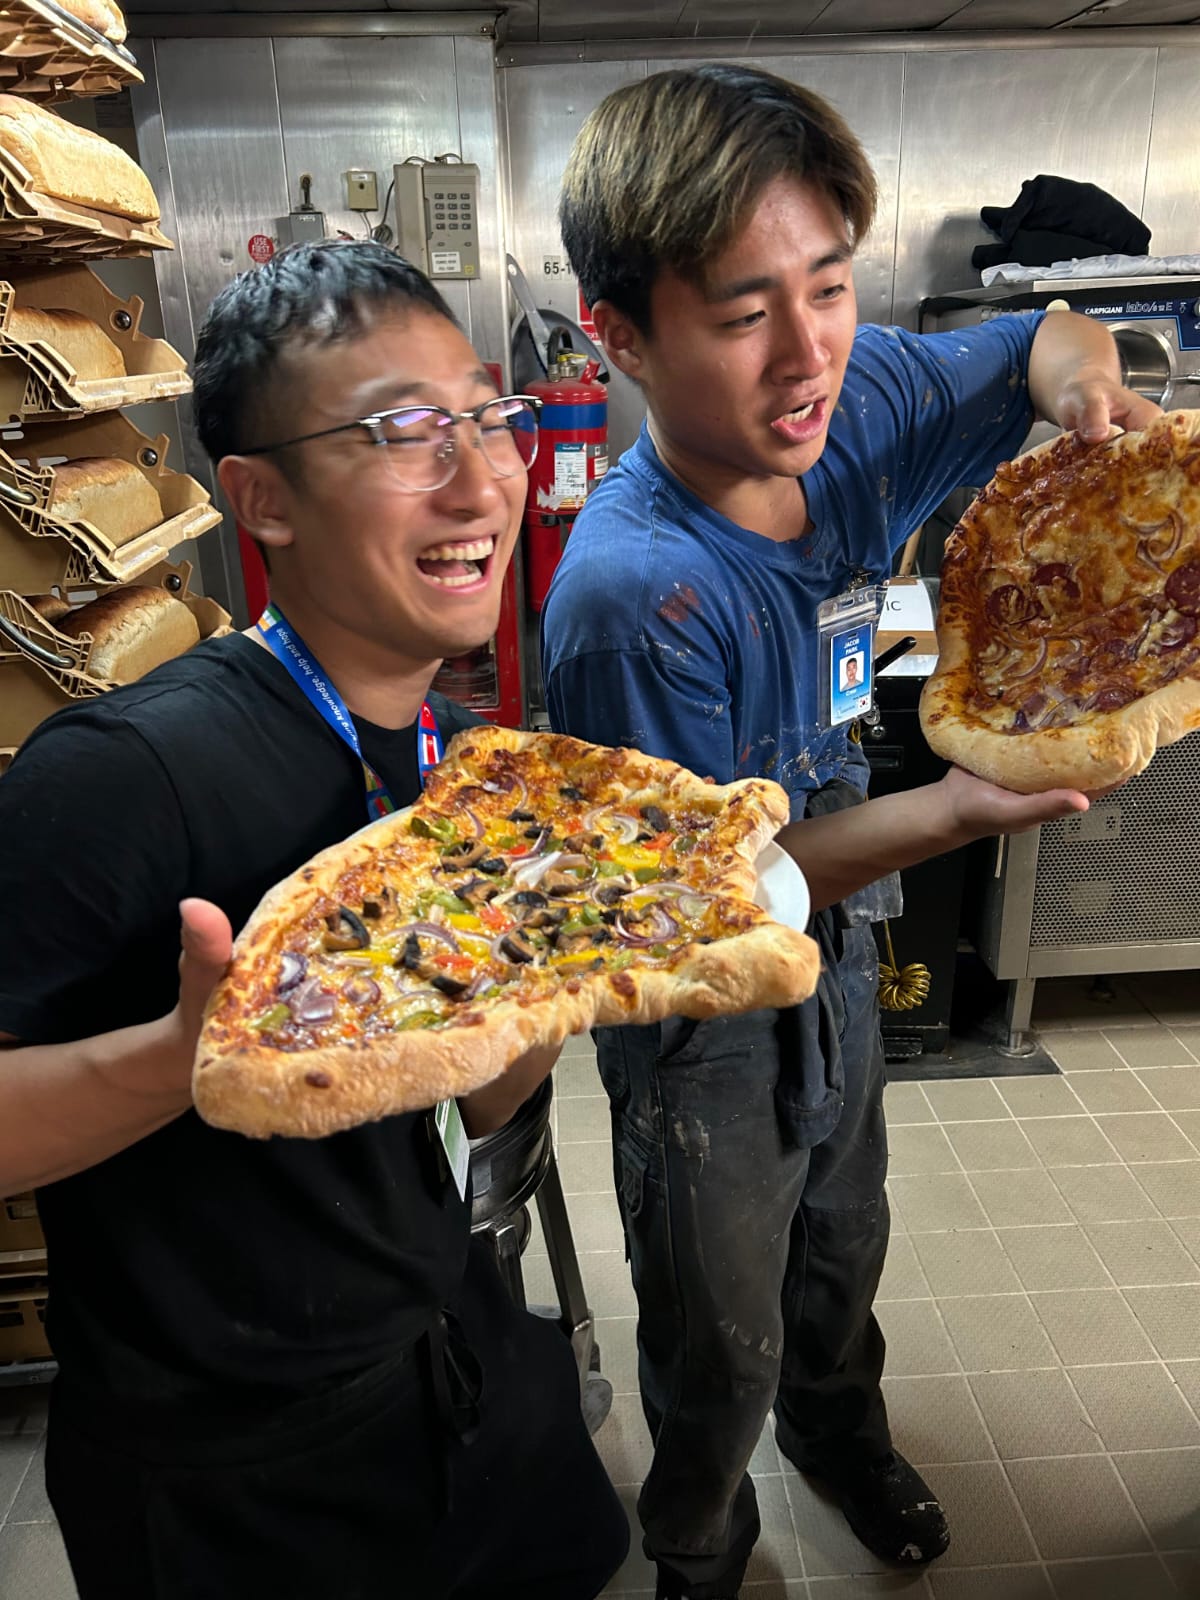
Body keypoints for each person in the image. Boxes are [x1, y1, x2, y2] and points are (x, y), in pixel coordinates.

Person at [541, 64, 1160, 1600]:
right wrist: (951, 811)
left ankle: (839, 1432)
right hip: (691, 943)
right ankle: (700, 1543)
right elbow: (708, 896)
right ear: (619, 333)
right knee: (716, 1289)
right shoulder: (638, 600)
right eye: (745, 312)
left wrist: (1083, 387)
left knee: (842, 1217)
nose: (808, 352)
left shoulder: (863, 386)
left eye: (829, 284)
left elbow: (1045, 333)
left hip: (833, 867)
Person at [0, 240, 629, 1600]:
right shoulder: (122, 777)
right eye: (404, 432)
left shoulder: (457, 762)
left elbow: (486, 1103)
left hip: (444, 1357)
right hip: (232, 1477)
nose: (481, 481)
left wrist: (556, 977)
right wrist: (182, 1059)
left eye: (484, 415)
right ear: (260, 498)